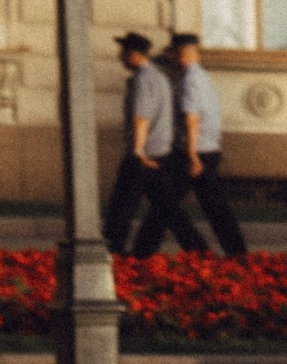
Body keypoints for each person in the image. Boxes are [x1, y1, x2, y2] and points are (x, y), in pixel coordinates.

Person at [101, 33, 202, 257]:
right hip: (159, 152)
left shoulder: (143, 80)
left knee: (122, 206)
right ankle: (198, 249)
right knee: (167, 208)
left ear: (133, 54)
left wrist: (137, 151)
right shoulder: (159, 77)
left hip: (144, 154)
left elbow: (141, 118)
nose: (120, 57)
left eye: (123, 53)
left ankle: (113, 249)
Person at [150, 33, 247, 258]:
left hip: (192, 153)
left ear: (182, 53)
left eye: (173, 54)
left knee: (165, 204)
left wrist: (192, 156)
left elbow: (191, 119)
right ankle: (237, 253)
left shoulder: (189, 81)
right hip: (208, 150)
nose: (171, 59)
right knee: (214, 208)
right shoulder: (202, 77)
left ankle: (196, 252)